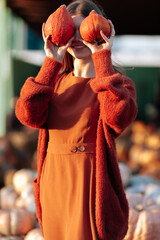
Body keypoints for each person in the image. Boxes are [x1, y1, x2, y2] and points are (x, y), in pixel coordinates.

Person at [15, 0, 137, 239]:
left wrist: (102, 57)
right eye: (70, 31)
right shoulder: (55, 82)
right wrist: (51, 61)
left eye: (84, 30)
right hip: (54, 180)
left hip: (89, 183)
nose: (77, 39)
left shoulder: (116, 85)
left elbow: (118, 117)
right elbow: (27, 114)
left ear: (100, 31)